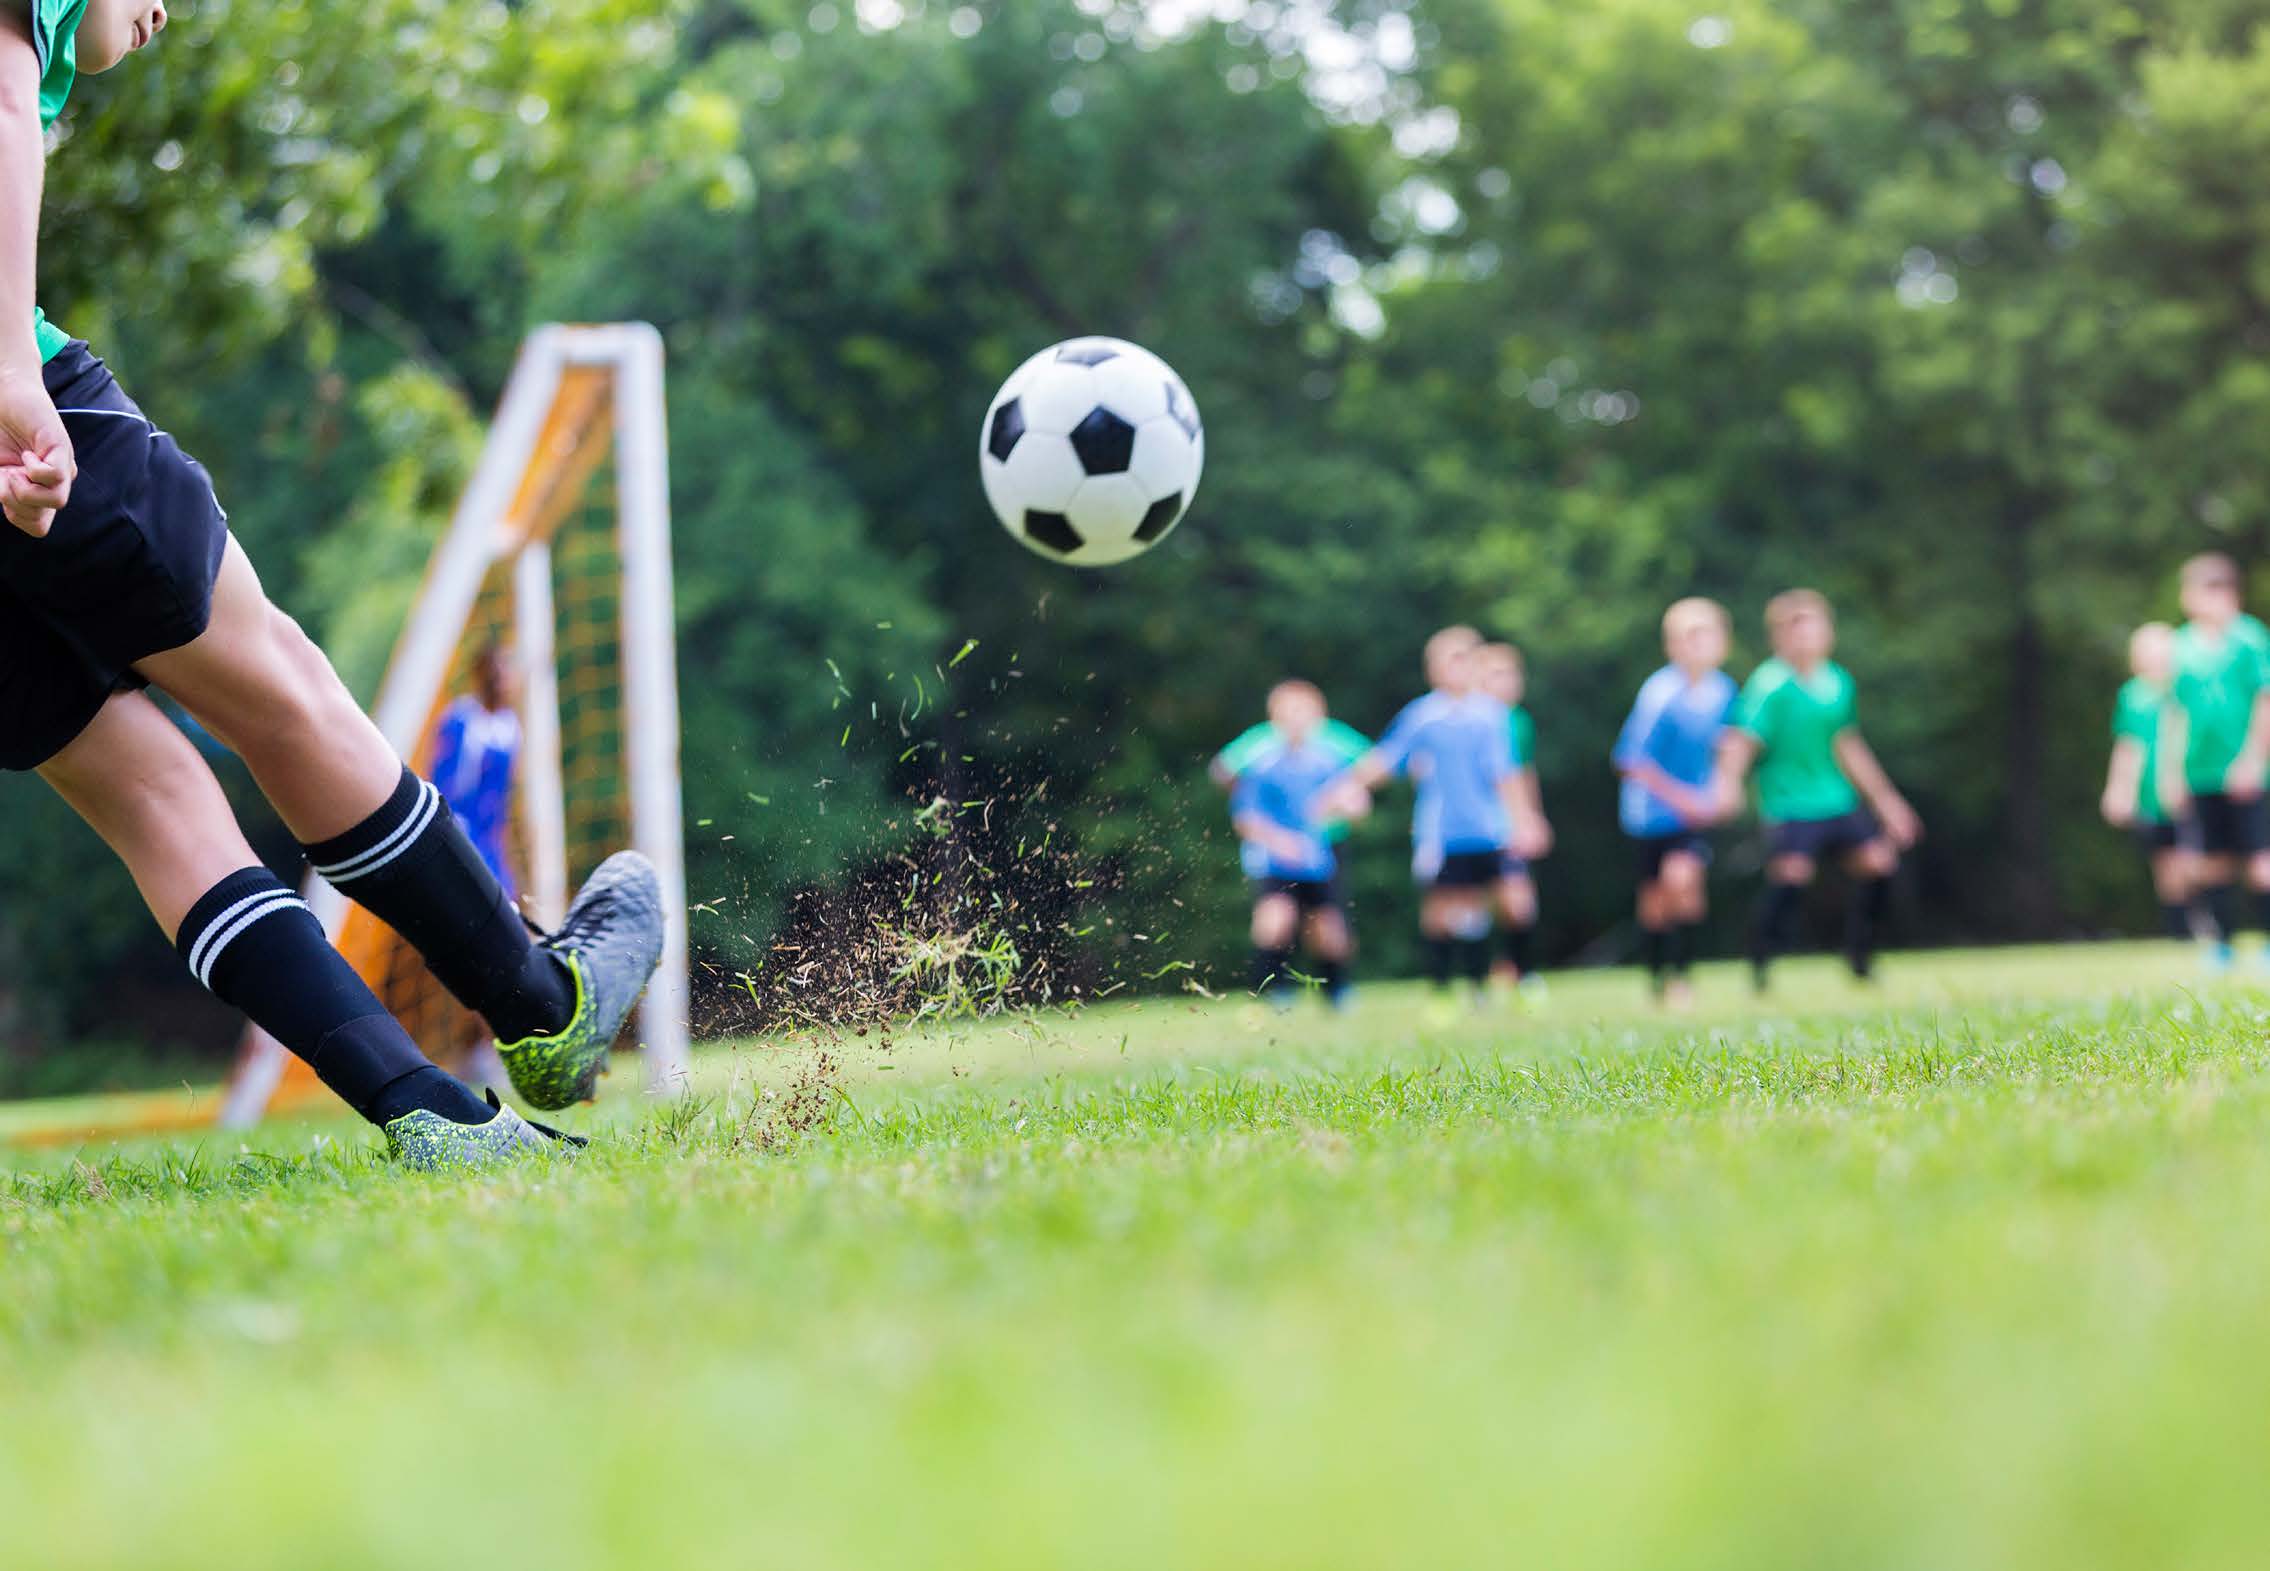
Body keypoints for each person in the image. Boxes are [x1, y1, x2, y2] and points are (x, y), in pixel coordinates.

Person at [0, 5, 664, 1168]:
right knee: (281, 688)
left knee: (143, 789)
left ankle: (427, 1110)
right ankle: (541, 1006)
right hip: (28, 411)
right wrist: (10, 371)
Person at [1713, 591, 1920, 990]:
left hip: (1835, 797)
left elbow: (1848, 745)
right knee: (1791, 875)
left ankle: (1860, 959)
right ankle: (1761, 961)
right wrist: (1727, 784)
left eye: (1814, 626)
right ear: (1780, 637)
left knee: (1878, 864)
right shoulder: (1770, 685)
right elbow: (1741, 739)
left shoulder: (1837, 682)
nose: (1807, 636)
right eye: (1797, 629)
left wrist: (1888, 801)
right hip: (1790, 801)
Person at [1329, 626, 1542, 999]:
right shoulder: (1423, 716)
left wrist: (1524, 820)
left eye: (1463, 658)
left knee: (1516, 903)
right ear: (1433, 669)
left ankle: (1519, 978)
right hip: (1443, 831)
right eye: (1448, 660)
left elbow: (1507, 774)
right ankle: (1449, 989)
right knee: (1451, 914)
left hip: (1490, 828)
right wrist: (1346, 787)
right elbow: (1386, 759)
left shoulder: (1492, 716)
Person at [1613, 599, 1737, 1006]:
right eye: (1690, 636)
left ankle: (1682, 977)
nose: (1700, 644)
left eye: (1708, 634)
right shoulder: (1660, 693)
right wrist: (1683, 798)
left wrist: (1726, 787)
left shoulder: (1723, 689)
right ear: (1672, 645)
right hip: (1650, 812)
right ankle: (1656, 977)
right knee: (1655, 901)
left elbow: (1728, 745)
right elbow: (1631, 760)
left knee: (1684, 883)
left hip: (1694, 812)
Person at [2158, 554, 2270, 970]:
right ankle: (2223, 945)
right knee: (2214, 861)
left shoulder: (2250, 639)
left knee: (2261, 860)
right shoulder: (2182, 645)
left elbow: (2264, 700)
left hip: (2245, 771)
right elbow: (2175, 712)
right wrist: (2170, 771)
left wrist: (2253, 759)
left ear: (2225, 593)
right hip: (2199, 771)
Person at [1225, 681, 1365, 1010]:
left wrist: (1349, 806)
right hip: (1275, 859)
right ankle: (1272, 991)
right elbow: (1245, 817)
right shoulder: (1262, 762)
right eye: (1289, 713)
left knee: (1329, 931)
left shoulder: (1328, 761)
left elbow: (1357, 802)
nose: (1296, 720)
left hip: (1319, 858)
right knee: (1275, 921)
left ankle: (1336, 991)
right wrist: (1279, 841)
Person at [2101, 622, 2196, 945]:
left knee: (2194, 859)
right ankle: (2180, 932)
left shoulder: (2185, 689)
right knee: (2165, 864)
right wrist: (2118, 789)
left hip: (2189, 789)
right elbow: (2128, 746)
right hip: (2150, 796)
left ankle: (2208, 919)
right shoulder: (2133, 695)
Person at [1474, 642, 1553, 995]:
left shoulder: (1518, 722)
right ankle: (1474, 981)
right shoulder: (1469, 721)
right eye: (1496, 674)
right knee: (1470, 909)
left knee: (1518, 903)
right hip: (1471, 829)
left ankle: (1520, 973)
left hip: (1507, 826)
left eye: (1512, 674)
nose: (1507, 682)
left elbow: (1522, 773)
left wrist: (1532, 818)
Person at [432, 642, 525, 897]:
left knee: (506, 901)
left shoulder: (510, 727)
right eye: (501, 674)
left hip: (490, 838)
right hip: (458, 828)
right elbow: (444, 781)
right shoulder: (460, 719)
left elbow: (502, 796)